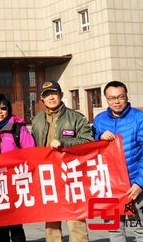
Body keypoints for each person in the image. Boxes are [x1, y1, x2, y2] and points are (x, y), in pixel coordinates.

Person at [93, 81, 143, 242]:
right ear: (106, 100)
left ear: (126, 96)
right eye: (112, 98)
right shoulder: (99, 120)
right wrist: (99, 136)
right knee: (114, 229)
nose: (116, 101)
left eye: (120, 97)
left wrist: (140, 184)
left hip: (133, 184)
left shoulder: (140, 118)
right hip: (109, 185)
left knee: (141, 228)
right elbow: (91, 146)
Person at [30, 80, 94, 242]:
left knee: (76, 220)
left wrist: (64, 143)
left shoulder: (76, 118)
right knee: (51, 222)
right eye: (46, 95)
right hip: (48, 177)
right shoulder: (37, 120)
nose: (51, 97)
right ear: (41, 99)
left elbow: (88, 142)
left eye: (54, 93)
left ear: (61, 95)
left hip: (71, 176)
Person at [0, 94, 35, 242]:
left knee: (15, 224)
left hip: (14, 182)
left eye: (3, 108)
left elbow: (30, 153)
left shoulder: (18, 129)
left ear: (8, 109)